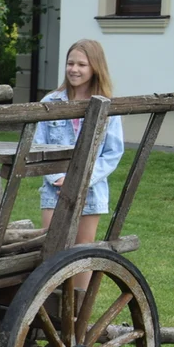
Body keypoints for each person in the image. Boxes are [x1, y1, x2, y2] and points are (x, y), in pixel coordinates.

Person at [35, 39, 124, 283]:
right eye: (70, 63)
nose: (74, 69)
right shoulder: (50, 103)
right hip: (55, 189)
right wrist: (57, 177)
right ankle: (49, 306)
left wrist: (83, 179)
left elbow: (112, 152)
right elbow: (36, 145)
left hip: (91, 191)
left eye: (82, 64)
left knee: (82, 253)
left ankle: (75, 314)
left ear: (95, 67)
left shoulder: (107, 106)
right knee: (50, 250)